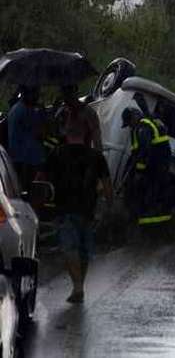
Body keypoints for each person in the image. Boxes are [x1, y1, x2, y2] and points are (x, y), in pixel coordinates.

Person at [38, 125, 113, 303]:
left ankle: (78, 287)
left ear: (67, 135)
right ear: (86, 137)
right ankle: (79, 286)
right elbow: (107, 183)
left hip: (63, 209)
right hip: (88, 210)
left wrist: (38, 204)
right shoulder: (96, 156)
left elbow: (40, 179)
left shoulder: (56, 154)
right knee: (84, 250)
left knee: (70, 248)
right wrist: (110, 204)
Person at [121, 107, 174, 229]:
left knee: (148, 197)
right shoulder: (149, 123)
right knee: (156, 196)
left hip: (155, 168)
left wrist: (139, 172)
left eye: (129, 123)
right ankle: (158, 227)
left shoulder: (143, 128)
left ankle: (149, 229)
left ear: (135, 117)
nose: (130, 126)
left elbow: (145, 151)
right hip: (160, 167)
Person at [6, 86, 46, 191]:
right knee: (30, 189)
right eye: (35, 94)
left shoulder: (15, 109)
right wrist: (42, 114)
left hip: (17, 157)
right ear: (27, 94)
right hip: (27, 159)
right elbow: (39, 133)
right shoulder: (26, 111)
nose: (37, 97)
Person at [59, 84, 102, 150]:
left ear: (75, 93)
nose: (65, 97)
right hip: (68, 153)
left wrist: (98, 154)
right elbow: (62, 134)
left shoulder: (87, 111)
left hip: (84, 152)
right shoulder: (63, 112)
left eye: (68, 93)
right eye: (63, 93)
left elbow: (96, 137)